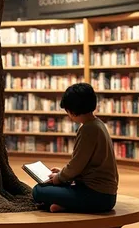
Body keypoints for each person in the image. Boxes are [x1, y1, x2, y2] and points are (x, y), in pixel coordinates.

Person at [32, 82, 118, 213]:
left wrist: (59, 178)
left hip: (97, 196)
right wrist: (62, 174)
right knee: (51, 188)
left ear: (72, 110)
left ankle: (69, 205)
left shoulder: (88, 129)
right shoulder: (98, 124)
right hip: (105, 194)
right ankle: (65, 205)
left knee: (38, 191)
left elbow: (77, 163)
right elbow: (84, 165)